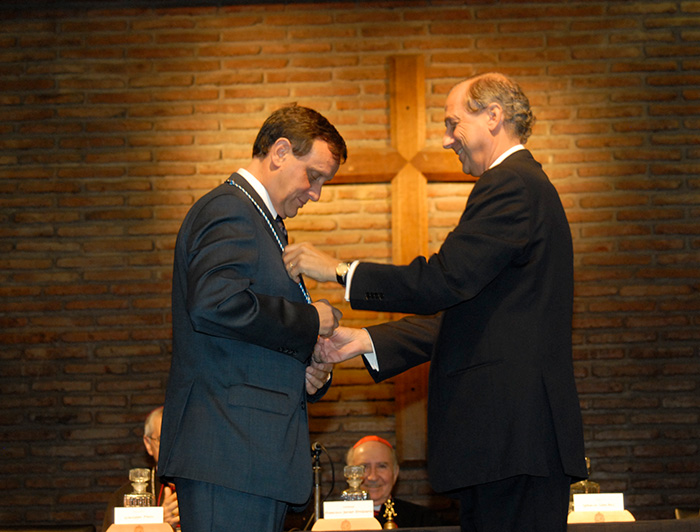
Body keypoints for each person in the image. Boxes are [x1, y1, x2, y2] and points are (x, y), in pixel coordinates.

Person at [282, 73, 588, 532]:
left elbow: (443, 280)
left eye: (452, 123)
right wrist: (362, 341)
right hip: (512, 445)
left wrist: (341, 271)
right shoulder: (523, 186)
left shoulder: (510, 185)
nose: (446, 140)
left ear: (493, 116)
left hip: (513, 439)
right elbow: (472, 320)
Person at [158, 105, 347, 532]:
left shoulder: (261, 222)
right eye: (313, 175)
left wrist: (304, 371)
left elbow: (239, 338)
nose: (316, 192)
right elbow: (215, 304)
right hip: (229, 452)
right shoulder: (230, 210)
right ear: (280, 151)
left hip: (247, 455)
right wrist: (310, 320)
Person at [103, 407, 179, 530]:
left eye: (178, 440)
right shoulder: (123, 498)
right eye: (162, 440)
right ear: (148, 444)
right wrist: (160, 525)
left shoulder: (210, 490)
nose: (172, 448)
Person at [347, 435, 444, 528]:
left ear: (395, 473)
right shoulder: (334, 517)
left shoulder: (422, 520)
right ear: (349, 474)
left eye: (382, 466)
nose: (373, 477)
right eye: (364, 467)